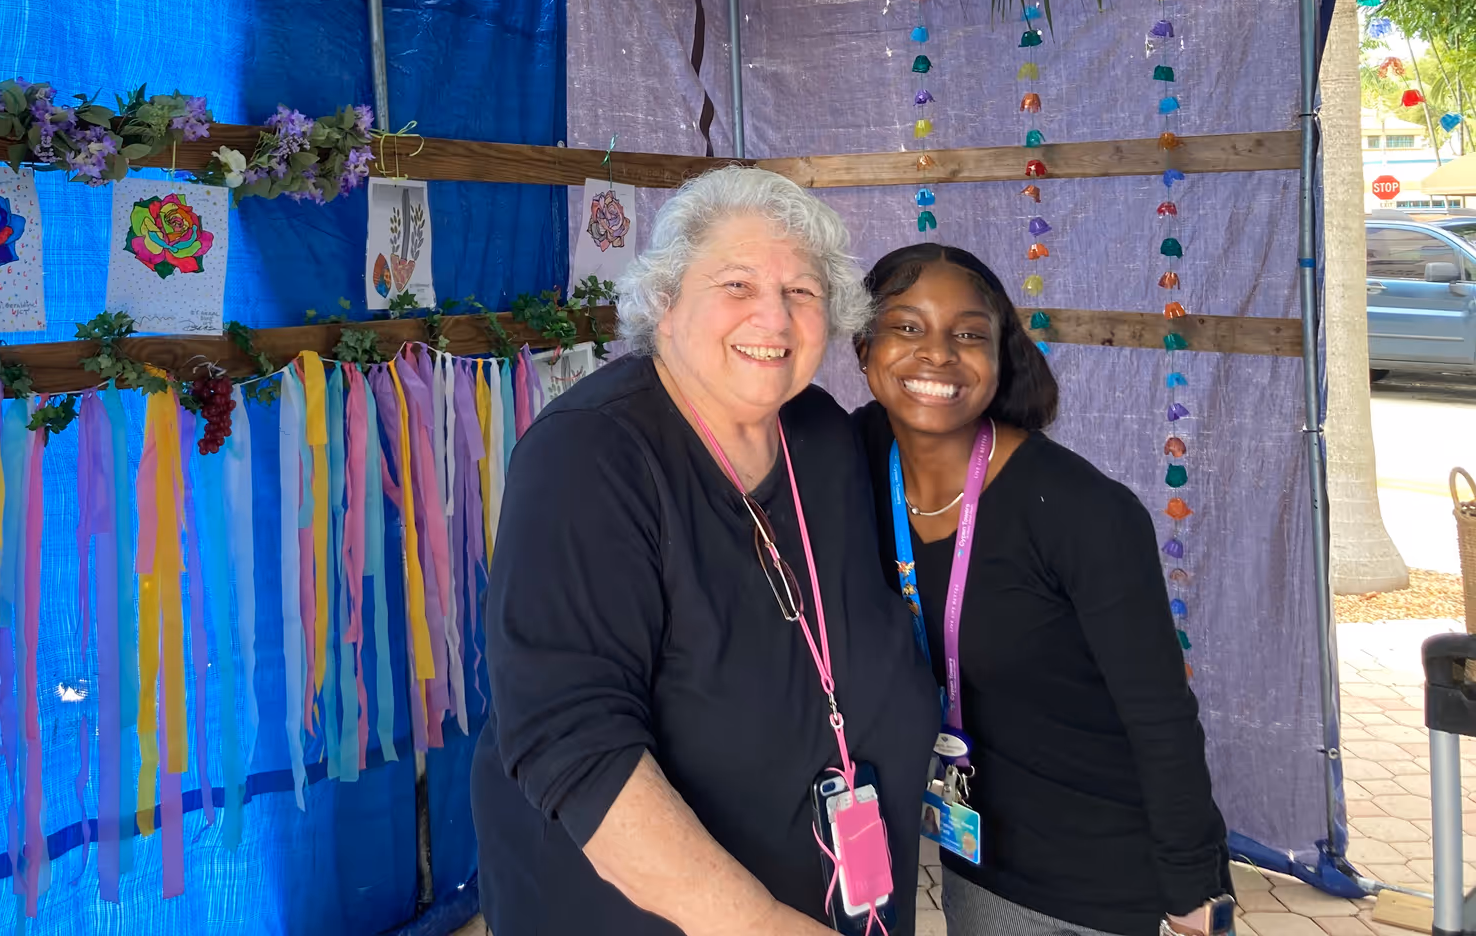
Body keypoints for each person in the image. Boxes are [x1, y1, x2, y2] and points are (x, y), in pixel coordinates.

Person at [472, 167, 938, 936]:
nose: (774, 319)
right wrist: (758, 923)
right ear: (664, 300)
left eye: (802, 293)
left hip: (836, 887)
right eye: (736, 283)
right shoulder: (590, 455)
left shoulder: (817, 431)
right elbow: (573, 742)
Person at [853, 243, 1231, 936]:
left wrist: (1193, 884)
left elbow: (1159, 713)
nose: (936, 354)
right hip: (976, 858)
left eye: (969, 334)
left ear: (1001, 358)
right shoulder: (849, 470)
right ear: (863, 345)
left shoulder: (1083, 511)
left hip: (1094, 872)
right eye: (906, 326)